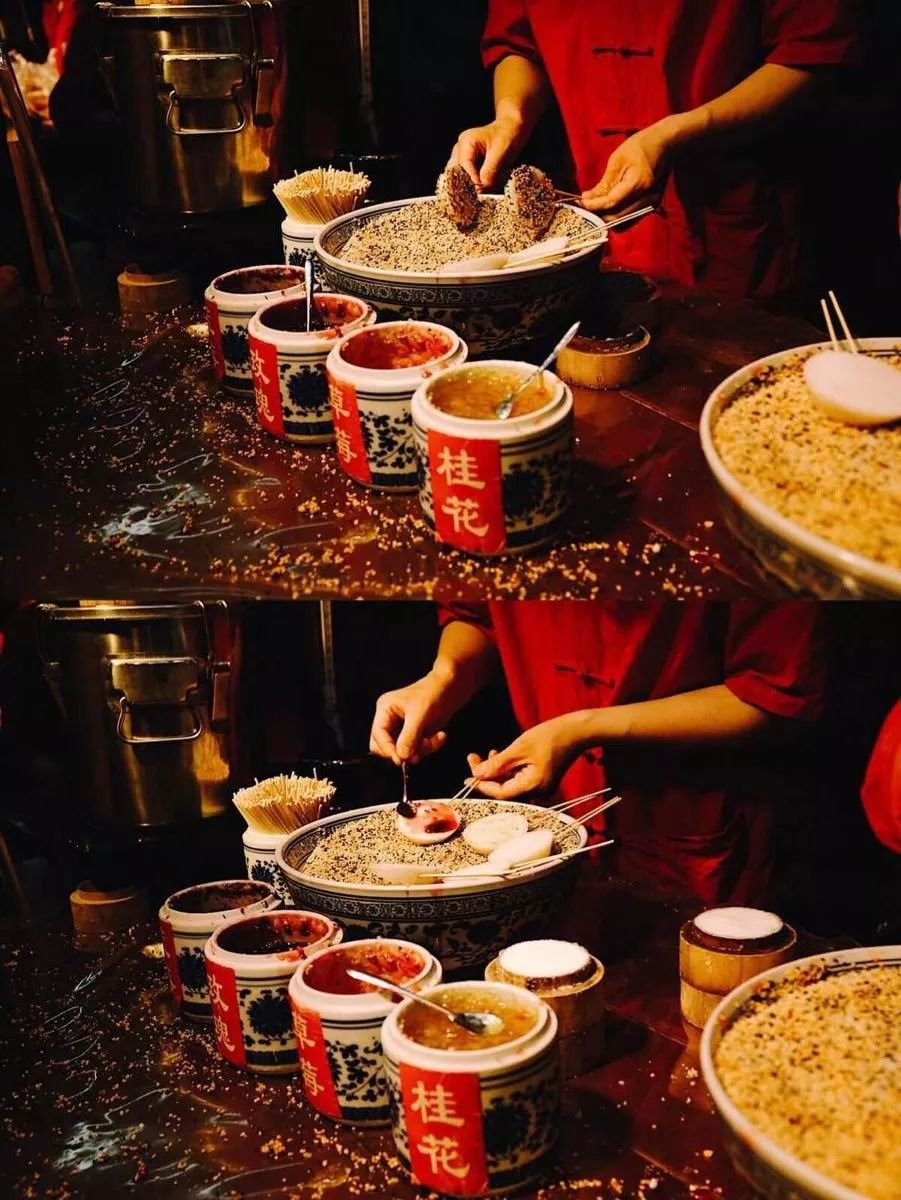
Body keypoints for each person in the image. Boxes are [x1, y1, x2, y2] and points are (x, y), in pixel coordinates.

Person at [370, 602, 826, 906]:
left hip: (698, 823)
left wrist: (580, 729)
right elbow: (477, 614)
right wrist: (445, 677)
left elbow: (774, 696)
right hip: (560, 813)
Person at [450, 1, 860, 299]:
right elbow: (517, 42)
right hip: (589, 220)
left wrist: (677, 133)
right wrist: (510, 117)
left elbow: (813, 50)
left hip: (728, 225)